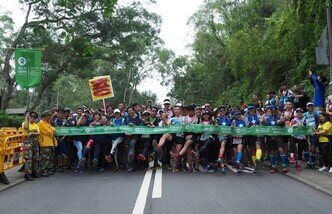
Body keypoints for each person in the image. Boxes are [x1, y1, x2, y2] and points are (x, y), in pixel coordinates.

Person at [262, 106, 288, 173]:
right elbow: (265, 127)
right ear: (270, 111)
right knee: (272, 151)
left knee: (280, 149)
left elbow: (283, 125)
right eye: (272, 111)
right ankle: (273, 166)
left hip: (278, 136)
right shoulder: (267, 118)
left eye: (275, 111)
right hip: (270, 137)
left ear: (277, 111)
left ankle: (284, 166)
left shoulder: (280, 117)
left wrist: (282, 121)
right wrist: (263, 121)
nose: (273, 112)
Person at [22, 111, 40, 181]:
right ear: (29, 117)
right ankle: (27, 174)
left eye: (34, 117)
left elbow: (39, 133)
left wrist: (32, 133)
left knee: (36, 158)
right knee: (28, 158)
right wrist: (26, 117)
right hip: (28, 142)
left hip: (35, 142)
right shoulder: (25, 123)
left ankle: (34, 172)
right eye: (31, 116)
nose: (33, 118)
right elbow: (26, 127)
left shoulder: (36, 124)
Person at [38, 110, 58, 177]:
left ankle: (48, 170)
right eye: (49, 116)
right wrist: (51, 130)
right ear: (45, 116)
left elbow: (54, 129)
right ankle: (42, 171)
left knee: (49, 157)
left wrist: (51, 129)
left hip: (50, 142)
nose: (50, 117)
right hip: (44, 143)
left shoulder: (47, 123)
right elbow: (49, 132)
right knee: (45, 158)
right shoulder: (41, 123)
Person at [303, 102, 319, 169]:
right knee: (306, 148)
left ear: (313, 107)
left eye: (311, 106)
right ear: (307, 107)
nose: (310, 107)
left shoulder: (316, 113)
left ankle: (312, 163)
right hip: (306, 133)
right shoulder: (304, 114)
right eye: (309, 106)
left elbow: (321, 117)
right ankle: (308, 162)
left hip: (313, 133)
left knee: (313, 148)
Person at [215, 106, 232, 173]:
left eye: (223, 110)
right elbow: (216, 123)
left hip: (225, 136)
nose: (222, 112)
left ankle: (220, 159)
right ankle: (222, 166)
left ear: (225, 111)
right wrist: (216, 122)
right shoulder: (218, 118)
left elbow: (231, 127)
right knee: (220, 149)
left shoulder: (228, 119)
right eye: (221, 110)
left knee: (223, 145)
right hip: (218, 136)